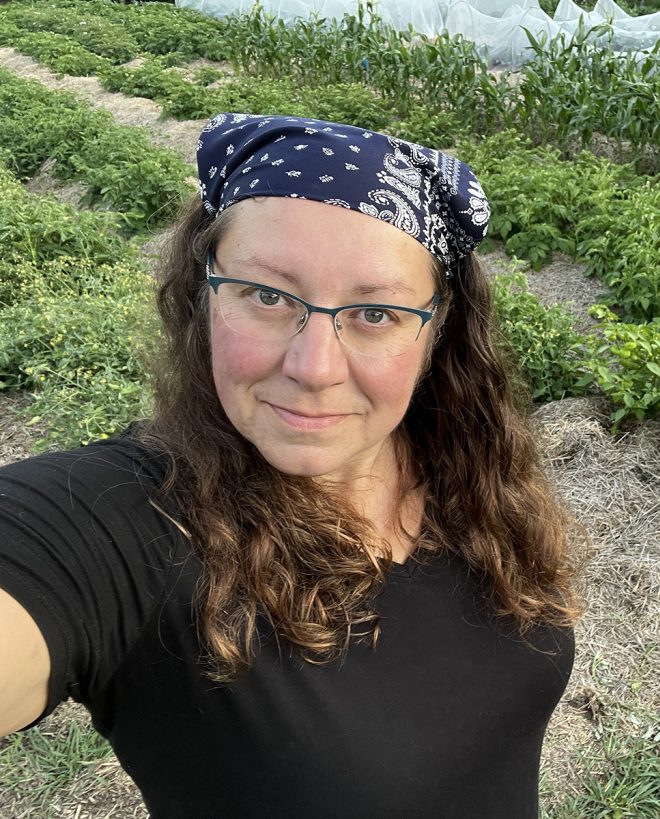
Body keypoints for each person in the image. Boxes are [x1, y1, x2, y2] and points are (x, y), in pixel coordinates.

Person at [0, 113, 581, 818]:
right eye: (268, 296)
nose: (314, 367)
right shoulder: (128, 523)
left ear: (436, 328)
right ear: (204, 292)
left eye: (376, 312)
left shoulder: (469, 472)